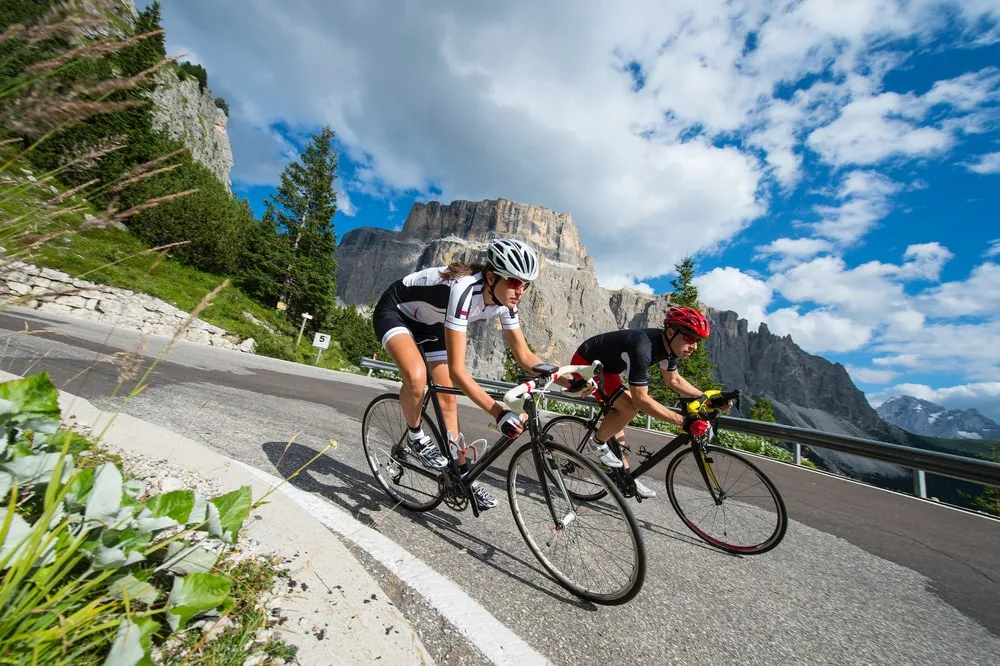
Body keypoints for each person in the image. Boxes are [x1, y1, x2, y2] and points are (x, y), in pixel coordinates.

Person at [372, 238, 574, 510]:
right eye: (514, 281)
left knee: (447, 400)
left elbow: (524, 356)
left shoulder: (506, 302)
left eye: (526, 284)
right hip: (397, 311)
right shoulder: (464, 288)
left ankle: (463, 474)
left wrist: (566, 380)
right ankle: (416, 436)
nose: (520, 290)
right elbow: (458, 370)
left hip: (433, 324)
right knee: (417, 376)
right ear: (491, 276)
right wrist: (499, 413)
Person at [569, 306, 721, 499]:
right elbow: (641, 400)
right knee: (629, 408)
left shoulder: (669, 348)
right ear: (671, 332)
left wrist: (707, 398)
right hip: (587, 363)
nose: (694, 346)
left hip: (609, 369)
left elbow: (673, 380)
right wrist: (684, 422)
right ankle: (597, 443)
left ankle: (624, 475)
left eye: (698, 341)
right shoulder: (643, 347)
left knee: (620, 419)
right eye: (690, 338)